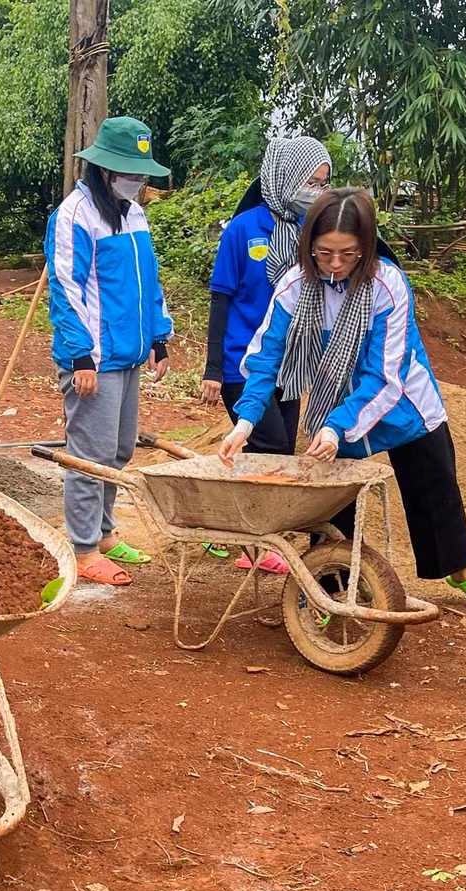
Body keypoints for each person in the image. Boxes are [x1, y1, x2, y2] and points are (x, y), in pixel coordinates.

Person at [219, 187, 466, 608]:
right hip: (333, 405)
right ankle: (331, 586)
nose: (336, 264)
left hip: (405, 406)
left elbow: (384, 376)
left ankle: (462, 573)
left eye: (348, 253)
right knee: (333, 503)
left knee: (435, 492)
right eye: (324, 252)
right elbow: (265, 358)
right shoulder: (295, 284)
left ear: (367, 246)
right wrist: (245, 421)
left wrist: (339, 425)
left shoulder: (386, 284)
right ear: (308, 246)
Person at [45, 116, 172, 586]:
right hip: (94, 359)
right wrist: (81, 356)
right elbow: (65, 288)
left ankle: (103, 533)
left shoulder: (133, 213)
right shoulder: (75, 215)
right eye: (129, 172)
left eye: (140, 173)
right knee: (89, 454)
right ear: (103, 169)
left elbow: (148, 284)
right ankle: (81, 548)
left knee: (117, 452)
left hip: (131, 354)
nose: (136, 181)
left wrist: (158, 337)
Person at [201, 136, 331, 573]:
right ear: (285, 177)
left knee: (280, 451)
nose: (314, 191)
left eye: (322, 183)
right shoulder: (243, 229)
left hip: (290, 365)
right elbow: (221, 299)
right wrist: (212, 369)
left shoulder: (309, 235)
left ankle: (251, 537)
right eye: (308, 181)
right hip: (242, 362)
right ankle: (252, 543)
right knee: (269, 444)